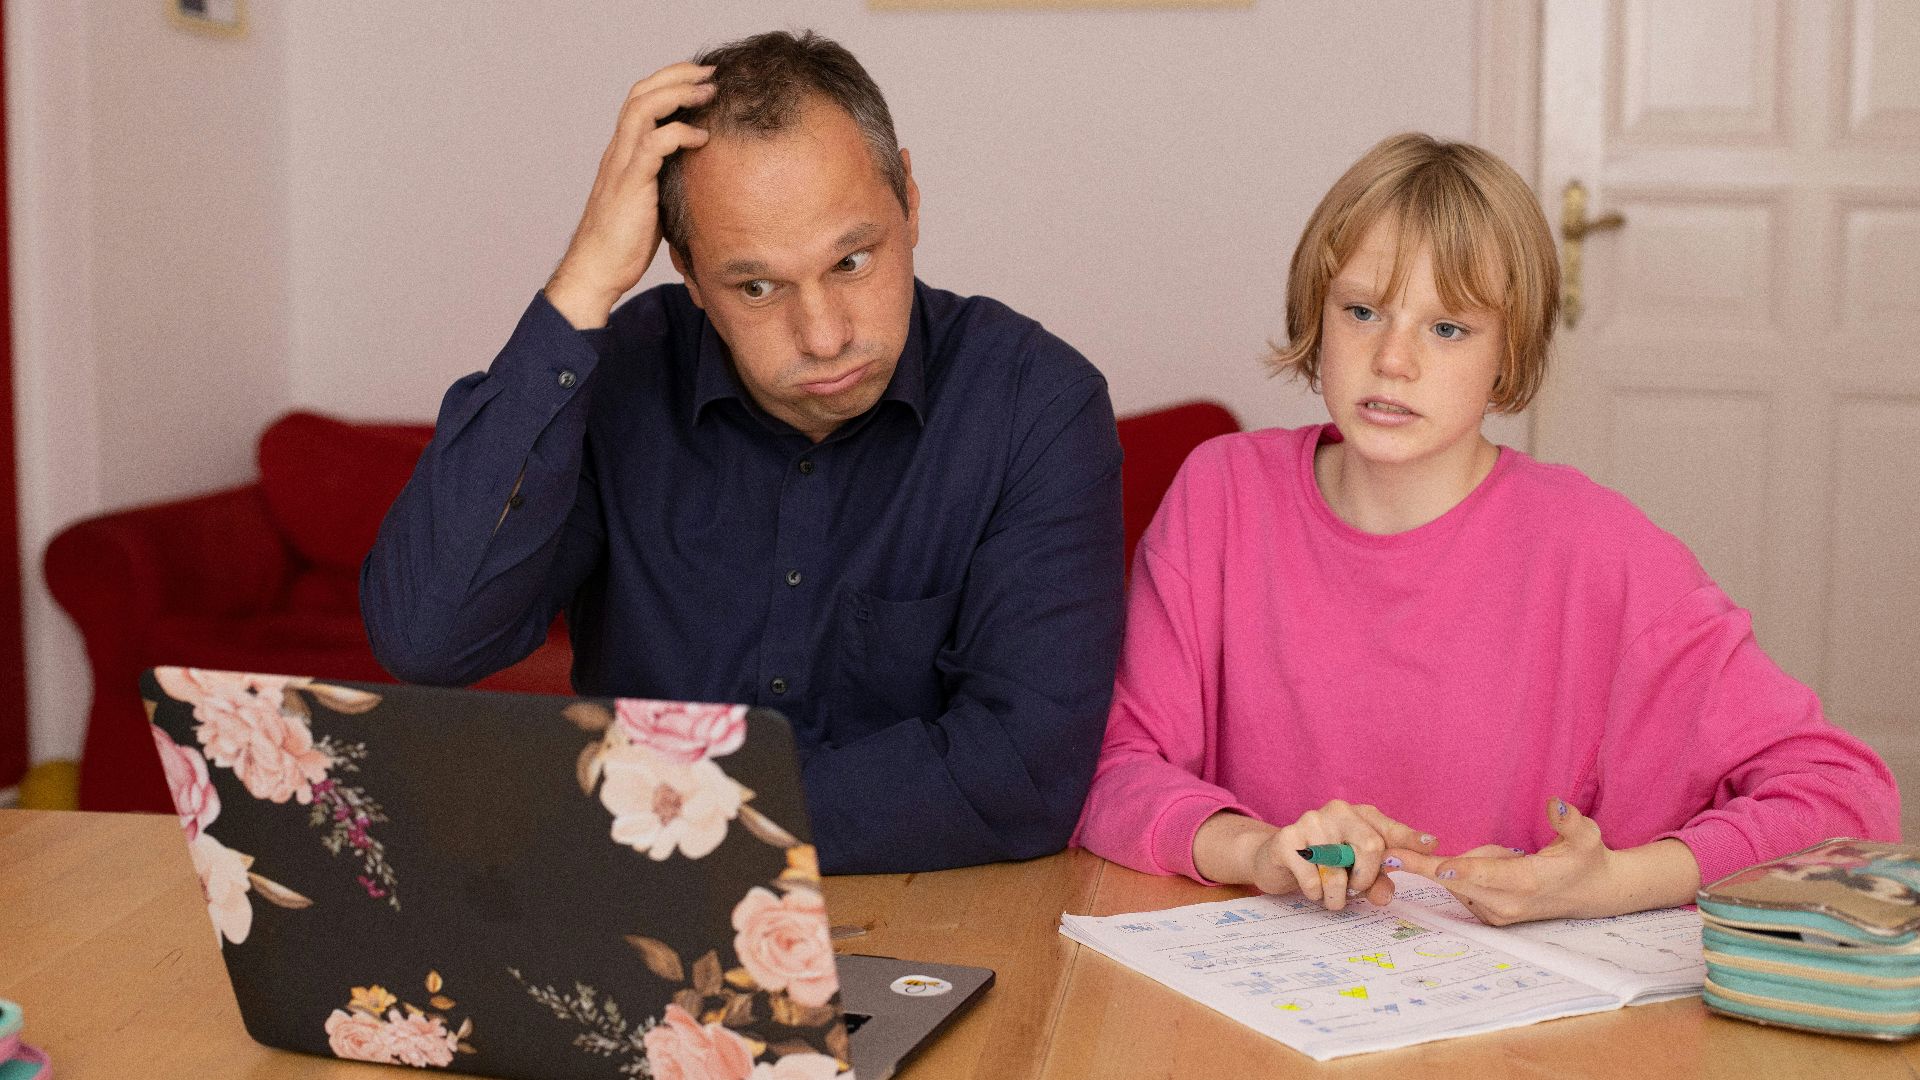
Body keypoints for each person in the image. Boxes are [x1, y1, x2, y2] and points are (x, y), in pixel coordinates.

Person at [1072, 132, 1899, 925]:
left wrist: (1616, 881)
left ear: (1510, 353)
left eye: (1447, 328)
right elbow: (1111, 770)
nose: (1393, 360)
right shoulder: (1222, 494)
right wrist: (1256, 851)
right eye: (1362, 311)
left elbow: (1844, 795)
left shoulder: (1598, 548)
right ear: (1315, 317)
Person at [361, 31, 1125, 874]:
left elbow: (1024, 776)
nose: (826, 335)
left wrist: (690, 813)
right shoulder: (612, 378)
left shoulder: (1036, 404)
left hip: (936, 910)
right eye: (756, 286)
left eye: (853, 260)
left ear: (910, 198)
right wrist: (583, 282)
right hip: (645, 919)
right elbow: (427, 641)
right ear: (684, 269)